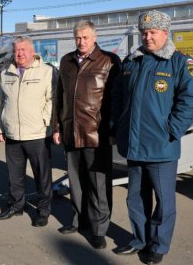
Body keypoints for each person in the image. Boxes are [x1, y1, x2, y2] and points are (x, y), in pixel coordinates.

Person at [112, 10, 193, 264]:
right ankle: (139, 240)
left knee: (163, 201)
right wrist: (118, 127)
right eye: (144, 32)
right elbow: (119, 98)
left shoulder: (180, 63)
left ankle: (158, 246)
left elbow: (191, 102)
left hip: (161, 147)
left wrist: (170, 130)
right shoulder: (132, 62)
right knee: (135, 198)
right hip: (134, 145)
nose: (147, 37)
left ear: (165, 33)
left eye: (152, 32)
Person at [52, 20, 119, 249]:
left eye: (85, 37)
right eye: (78, 38)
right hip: (71, 131)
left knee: (98, 184)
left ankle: (99, 229)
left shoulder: (109, 60)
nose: (81, 42)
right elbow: (58, 97)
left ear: (95, 36)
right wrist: (57, 127)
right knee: (75, 181)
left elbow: (114, 100)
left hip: (96, 134)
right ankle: (78, 220)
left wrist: (111, 129)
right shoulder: (67, 61)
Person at [0, 36, 54, 227]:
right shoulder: (6, 73)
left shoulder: (46, 72)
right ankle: (16, 206)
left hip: (37, 134)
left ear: (32, 51)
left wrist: (45, 122)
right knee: (15, 176)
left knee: (42, 176)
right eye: (17, 50)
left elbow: (52, 100)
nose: (20, 54)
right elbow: (0, 102)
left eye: (24, 50)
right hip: (12, 133)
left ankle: (43, 211)